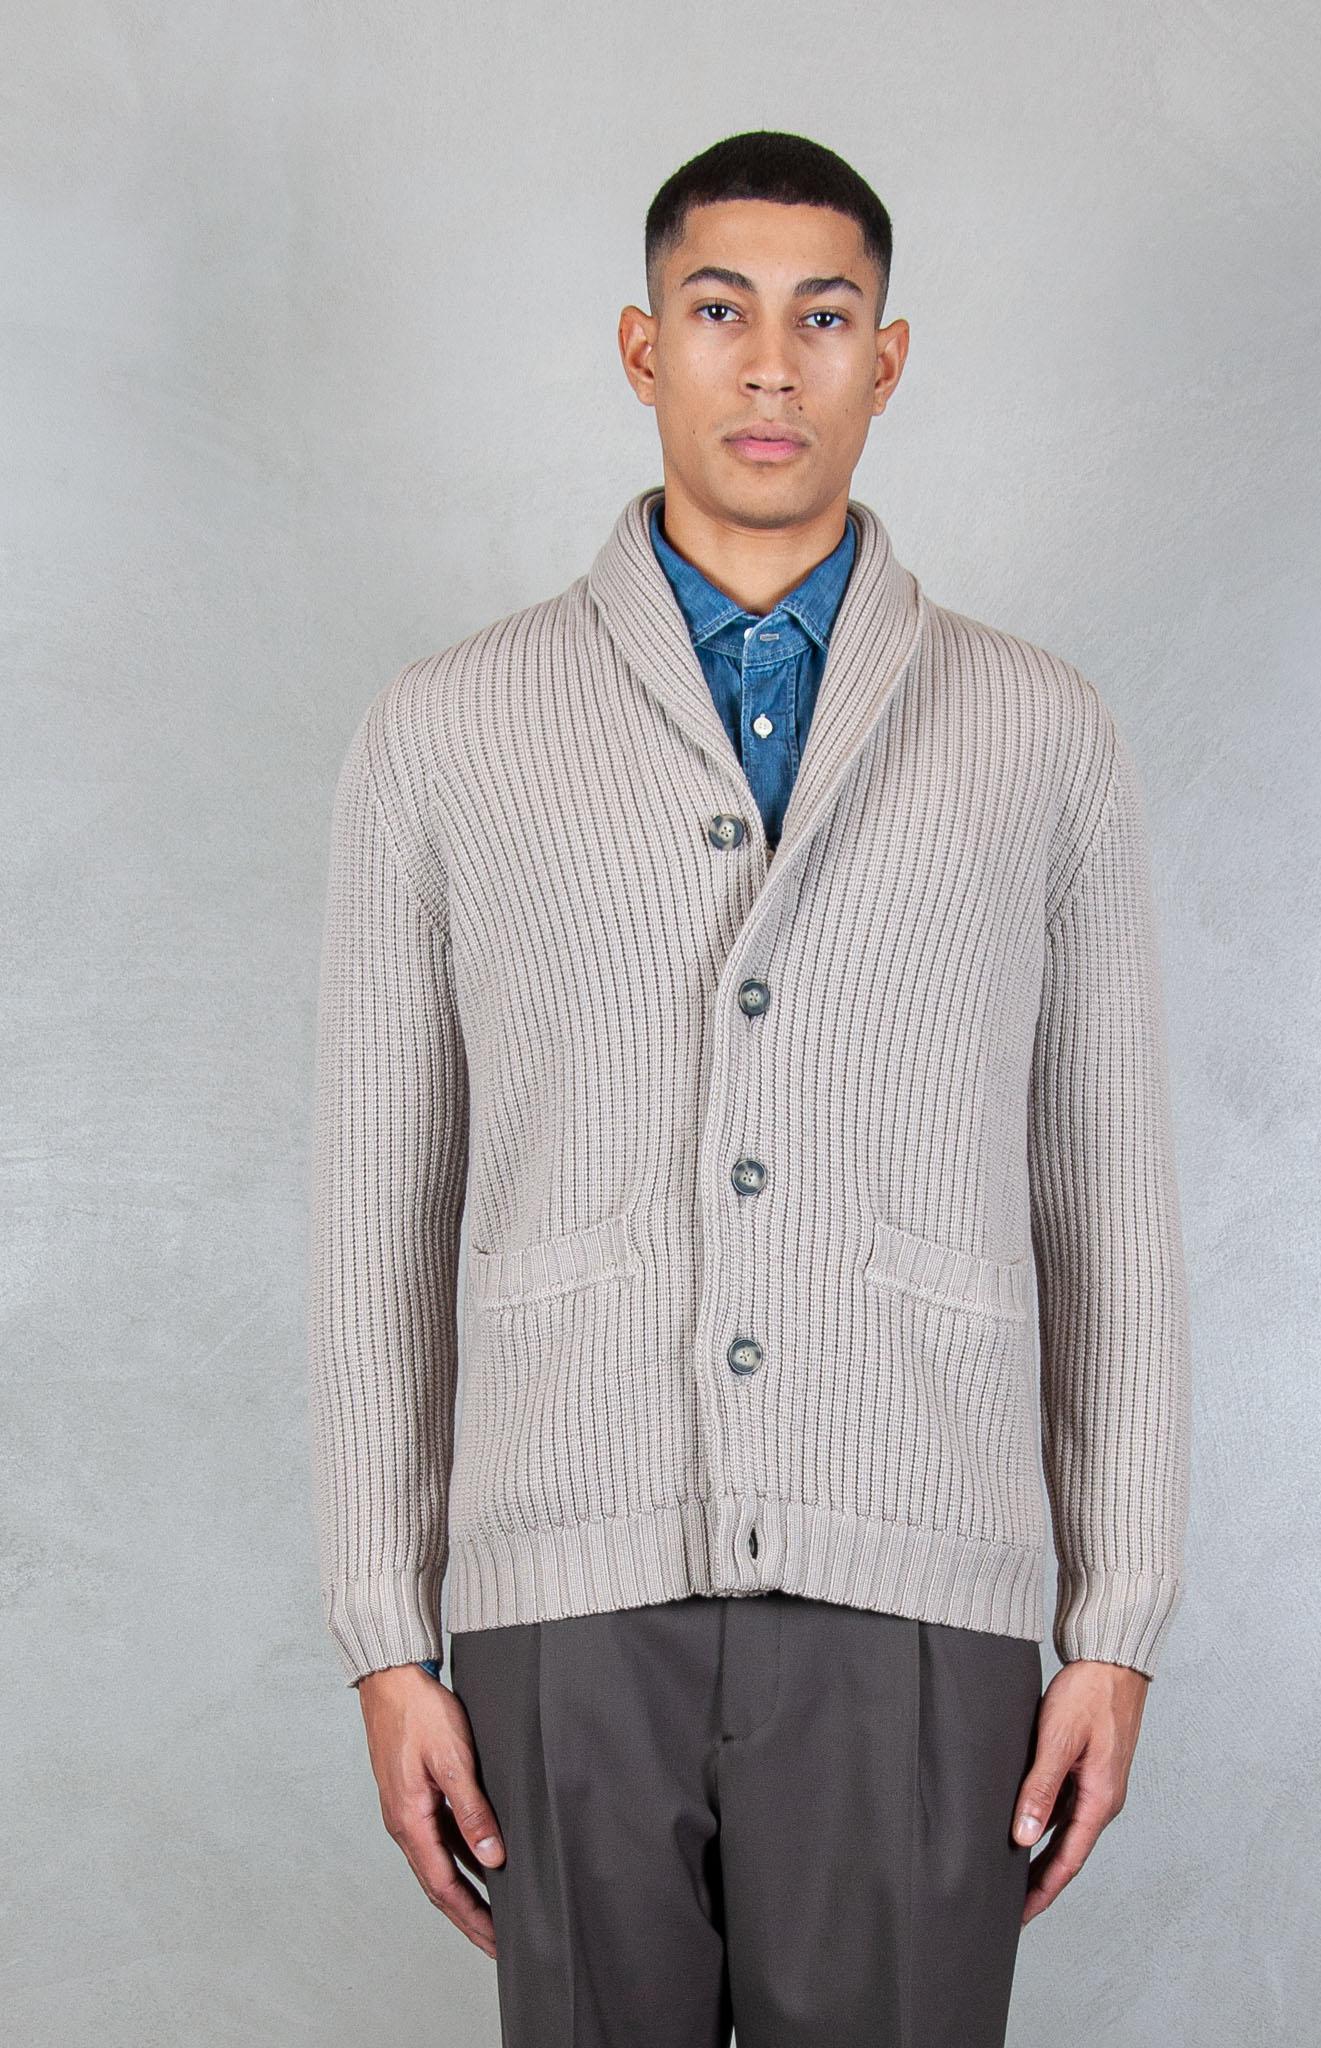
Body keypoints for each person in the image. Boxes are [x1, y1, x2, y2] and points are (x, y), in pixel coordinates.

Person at [305, 127, 1192, 2048]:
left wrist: (1114, 1617)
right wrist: (385, 1631)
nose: (771, 365)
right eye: (719, 313)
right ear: (643, 348)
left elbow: (1104, 1204)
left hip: (923, 1593)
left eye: (824, 317)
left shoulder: (1037, 733)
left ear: (889, 358)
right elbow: (379, 1213)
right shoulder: (446, 729)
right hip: (563, 1595)